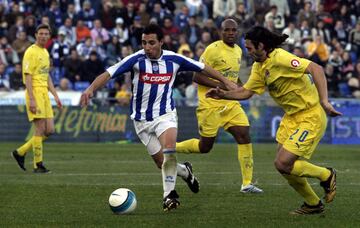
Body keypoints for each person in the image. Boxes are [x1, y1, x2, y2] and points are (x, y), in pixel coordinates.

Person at [80, 24, 235, 211]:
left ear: (161, 42)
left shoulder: (174, 59)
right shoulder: (135, 60)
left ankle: (168, 196)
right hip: (141, 120)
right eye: (144, 43)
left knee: (169, 150)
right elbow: (108, 74)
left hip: (165, 115)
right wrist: (90, 89)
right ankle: (185, 172)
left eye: (151, 42)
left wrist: (225, 81)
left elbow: (203, 67)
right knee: (161, 163)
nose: (147, 47)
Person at [206, 26, 341, 215]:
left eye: (250, 48)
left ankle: (326, 175)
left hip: (310, 116)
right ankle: (313, 204)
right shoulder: (258, 67)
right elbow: (246, 92)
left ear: (261, 45)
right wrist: (223, 94)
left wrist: (324, 101)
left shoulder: (280, 57)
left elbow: (315, 68)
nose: (248, 51)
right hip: (291, 117)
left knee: (282, 163)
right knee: (284, 167)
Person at [176, 19, 263, 194]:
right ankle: (170, 146)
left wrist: (241, 87)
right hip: (210, 104)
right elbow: (197, 77)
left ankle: (246, 184)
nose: (231, 33)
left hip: (229, 103)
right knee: (205, 147)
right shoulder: (212, 50)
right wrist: (224, 86)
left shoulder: (239, 50)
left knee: (244, 134)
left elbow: (233, 77)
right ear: (220, 32)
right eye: (227, 30)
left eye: (234, 30)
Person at [12, 24, 62, 173]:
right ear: (35, 35)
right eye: (41, 33)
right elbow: (28, 77)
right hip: (34, 92)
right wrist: (32, 99)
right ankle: (38, 165)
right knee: (40, 129)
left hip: (44, 94)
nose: (43, 36)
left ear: (49, 36)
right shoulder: (30, 52)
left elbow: (47, 77)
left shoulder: (45, 52)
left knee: (50, 130)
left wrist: (55, 95)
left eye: (46, 34)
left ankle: (20, 152)